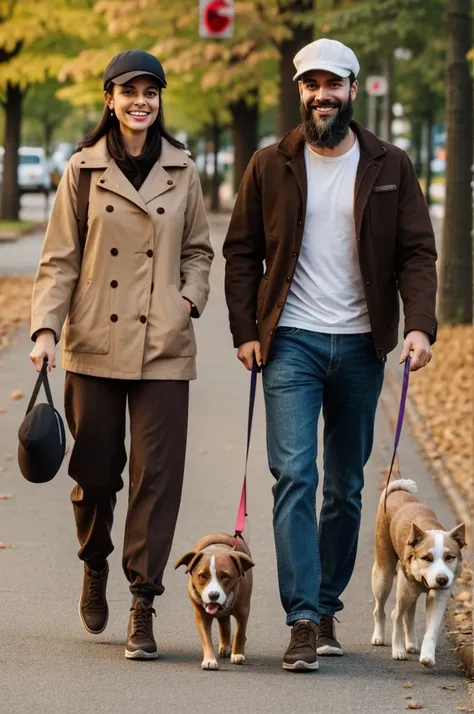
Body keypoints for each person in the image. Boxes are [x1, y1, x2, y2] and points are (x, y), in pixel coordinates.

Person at [223, 38, 437, 671]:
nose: (322, 95)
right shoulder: (269, 164)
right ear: (300, 91)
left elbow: (417, 253)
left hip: (362, 347)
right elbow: (241, 255)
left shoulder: (390, 164)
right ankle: (302, 619)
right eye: (311, 84)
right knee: (295, 476)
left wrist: (419, 325)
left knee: (344, 487)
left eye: (333, 84)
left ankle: (325, 599)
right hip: (290, 341)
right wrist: (245, 330)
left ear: (351, 89)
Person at [29, 50, 214, 660]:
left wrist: (186, 300)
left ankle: (143, 601)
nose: (141, 101)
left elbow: (198, 251)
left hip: (163, 344)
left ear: (160, 101)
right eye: (129, 91)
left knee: (156, 479)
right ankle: (93, 560)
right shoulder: (82, 170)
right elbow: (59, 259)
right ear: (109, 98)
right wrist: (45, 331)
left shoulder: (184, 169)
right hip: (93, 340)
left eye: (151, 92)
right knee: (95, 474)